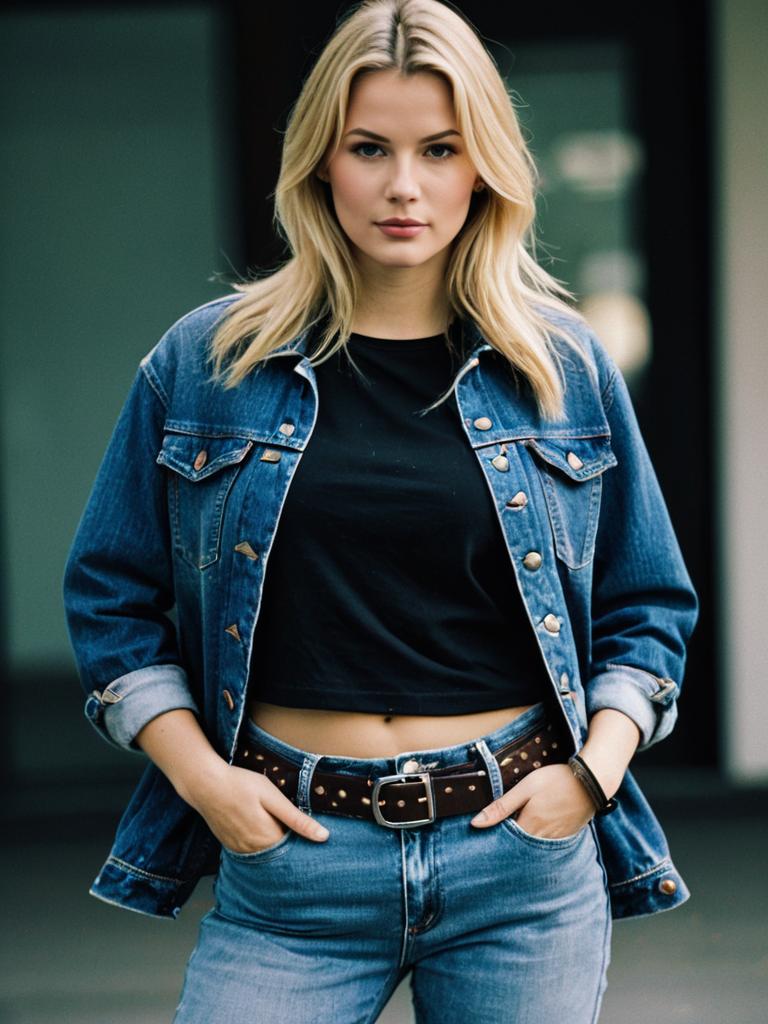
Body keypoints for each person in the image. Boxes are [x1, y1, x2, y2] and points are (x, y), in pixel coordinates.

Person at [62, 1, 699, 1021]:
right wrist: (206, 783)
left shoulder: (564, 368)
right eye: (370, 148)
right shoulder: (208, 363)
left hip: (519, 863)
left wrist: (589, 776)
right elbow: (110, 597)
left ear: (482, 167)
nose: (405, 184)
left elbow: (650, 606)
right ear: (321, 163)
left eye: (439, 149)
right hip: (291, 862)